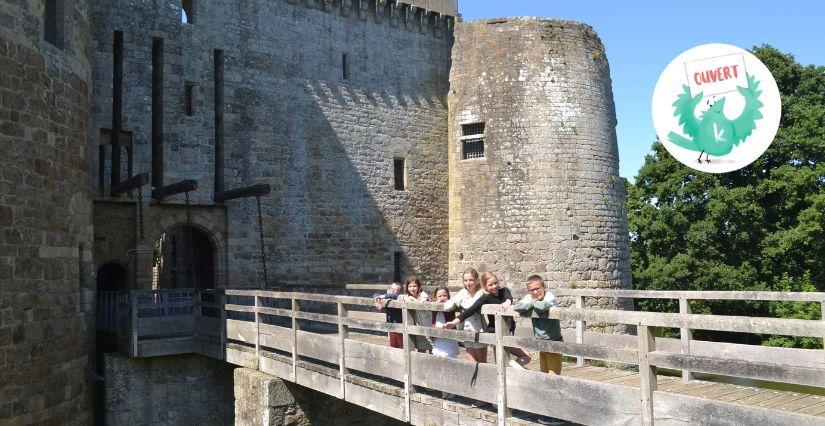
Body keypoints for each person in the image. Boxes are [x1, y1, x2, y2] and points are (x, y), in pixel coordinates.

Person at [444, 272, 531, 369]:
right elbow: (470, 310)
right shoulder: (486, 297)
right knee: (502, 361)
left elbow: (508, 297)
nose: (494, 286)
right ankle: (508, 371)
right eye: (490, 285)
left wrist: (508, 302)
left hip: (507, 332)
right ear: (485, 287)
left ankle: (510, 368)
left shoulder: (504, 290)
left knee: (525, 357)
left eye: (495, 283)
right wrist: (453, 322)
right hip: (495, 333)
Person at [514, 275, 563, 375]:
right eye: (532, 290)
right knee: (543, 372)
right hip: (541, 342)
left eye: (537, 288)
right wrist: (532, 302)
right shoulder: (530, 297)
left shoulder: (549, 296)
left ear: (544, 286)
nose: (535, 292)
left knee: (554, 374)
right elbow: (517, 307)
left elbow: (542, 306)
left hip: (554, 341)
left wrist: (532, 303)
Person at [443, 268, 487, 363]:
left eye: (471, 280)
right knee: (472, 363)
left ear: (476, 280)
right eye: (465, 280)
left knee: (482, 364)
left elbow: (473, 305)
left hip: (479, 329)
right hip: (466, 329)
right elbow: (448, 305)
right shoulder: (463, 293)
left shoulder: (481, 293)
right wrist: (448, 302)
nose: (468, 283)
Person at [401, 275, 432, 353]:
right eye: (410, 286)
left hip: (428, 324)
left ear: (419, 286)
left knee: (432, 347)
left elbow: (424, 300)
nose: (412, 288)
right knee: (421, 347)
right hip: (418, 325)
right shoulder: (407, 296)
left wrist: (419, 301)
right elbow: (401, 297)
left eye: (415, 286)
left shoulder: (423, 294)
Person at [431, 285, 459, 359]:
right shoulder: (433, 305)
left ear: (448, 296)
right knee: (438, 355)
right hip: (438, 336)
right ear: (435, 297)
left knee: (450, 355)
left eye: (444, 295)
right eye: (440, 296)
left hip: (449, 335)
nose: (442, 298)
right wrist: (436, 305)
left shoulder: (451, 305)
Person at [373, 282, 403, 348]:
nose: (392, 290)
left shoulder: (399, 297)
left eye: (395, 290)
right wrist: (377, 299)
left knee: (401, 346)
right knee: (393, 346)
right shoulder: (387, 297)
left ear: (399, 291)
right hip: (390, 325)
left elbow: (394, 296)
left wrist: (382, 296)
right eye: (391, 288)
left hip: (399, 326)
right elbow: (375, 294)